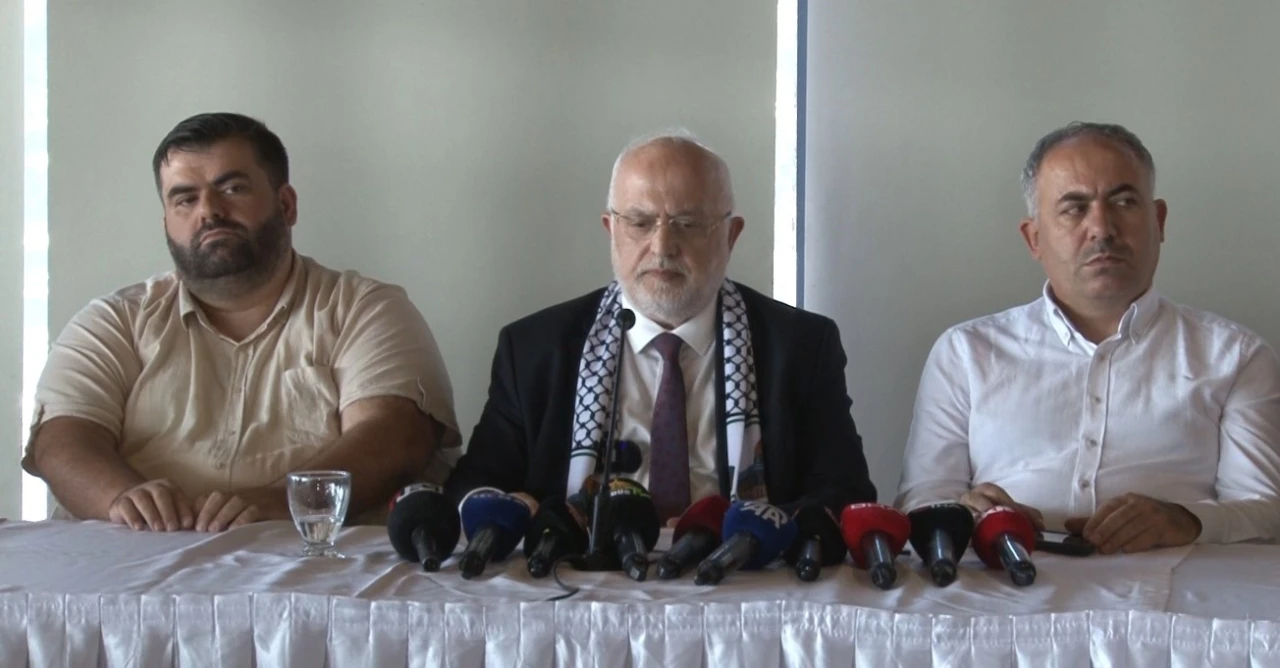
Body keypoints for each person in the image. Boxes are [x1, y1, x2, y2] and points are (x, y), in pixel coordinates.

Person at [23, 112, 460, 532]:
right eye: (185, 199)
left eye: (232, 189)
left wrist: (282, 502)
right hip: (139, 557)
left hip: (312, 562)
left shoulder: (366, 310)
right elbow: (60, 440)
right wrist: (121, 498)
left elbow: (394, 437)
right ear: (167, 222)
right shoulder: (113, 321)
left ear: (286, 205)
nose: (209, 211)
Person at [446, 133, 876, 521]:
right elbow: (472, 489)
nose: (662, 246)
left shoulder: (800, 348)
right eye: (639, 223)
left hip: (738, 573)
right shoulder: (534, 350)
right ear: (611, 230)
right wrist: (516, 510)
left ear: (731, 236)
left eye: (687, 224)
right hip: (580, 575)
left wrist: (741, 532)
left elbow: (845, 495)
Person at [897, 121, 1280, 553]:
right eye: (1074, 208)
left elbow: (1266, 513)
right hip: (1006, 581)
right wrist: (968, 514)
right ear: (1034, 238)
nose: (1101, 228)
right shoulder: (966, 353)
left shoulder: (1236, 357)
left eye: (1124, 202)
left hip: (1179, 586)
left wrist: (1188, 520)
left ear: (1158, 221)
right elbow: (920, 503)